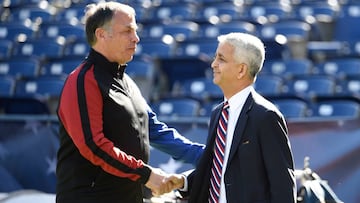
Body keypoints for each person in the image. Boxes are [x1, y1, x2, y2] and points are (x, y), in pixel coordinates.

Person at [55, 2, 204, 203]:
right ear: (101, 34)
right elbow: (93, 145)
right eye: (127, 31)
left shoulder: (127, 82)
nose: (136, 38)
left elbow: (154, 130)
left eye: (135, 31)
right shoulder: (82, 80)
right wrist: (146, 174)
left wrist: (204, 155)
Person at [168, 32, 297, 203]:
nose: (213, 64)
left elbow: (283, 187)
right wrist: (183, 182)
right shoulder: (218, 113)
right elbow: (217, 171)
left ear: (241, 69)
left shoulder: (266, 116)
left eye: (221, 59)